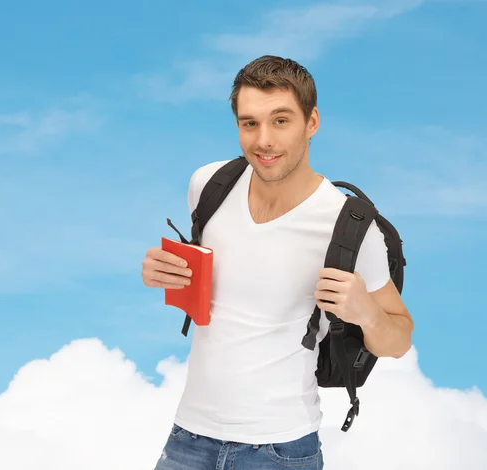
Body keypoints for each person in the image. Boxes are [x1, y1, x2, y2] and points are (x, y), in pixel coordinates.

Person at [141, 55, 414, 470]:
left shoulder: (350, 228)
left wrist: (366, 313)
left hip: (280, 451)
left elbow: (399, 339)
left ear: (312, 122)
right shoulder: (209, 186)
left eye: (281, 121)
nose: (263, 140)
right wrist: (162, 272)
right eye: (250, 123)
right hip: (187, 438)